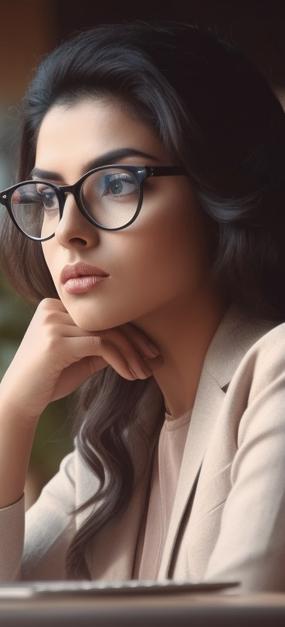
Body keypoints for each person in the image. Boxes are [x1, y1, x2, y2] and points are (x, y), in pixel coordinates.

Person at [0, 20, 285, 592]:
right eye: (49, 196)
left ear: (218, 186)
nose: (68, 232)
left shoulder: (275, 371)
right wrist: (11, 413)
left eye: (115, 183)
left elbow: (243, 611)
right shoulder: (117, 436)